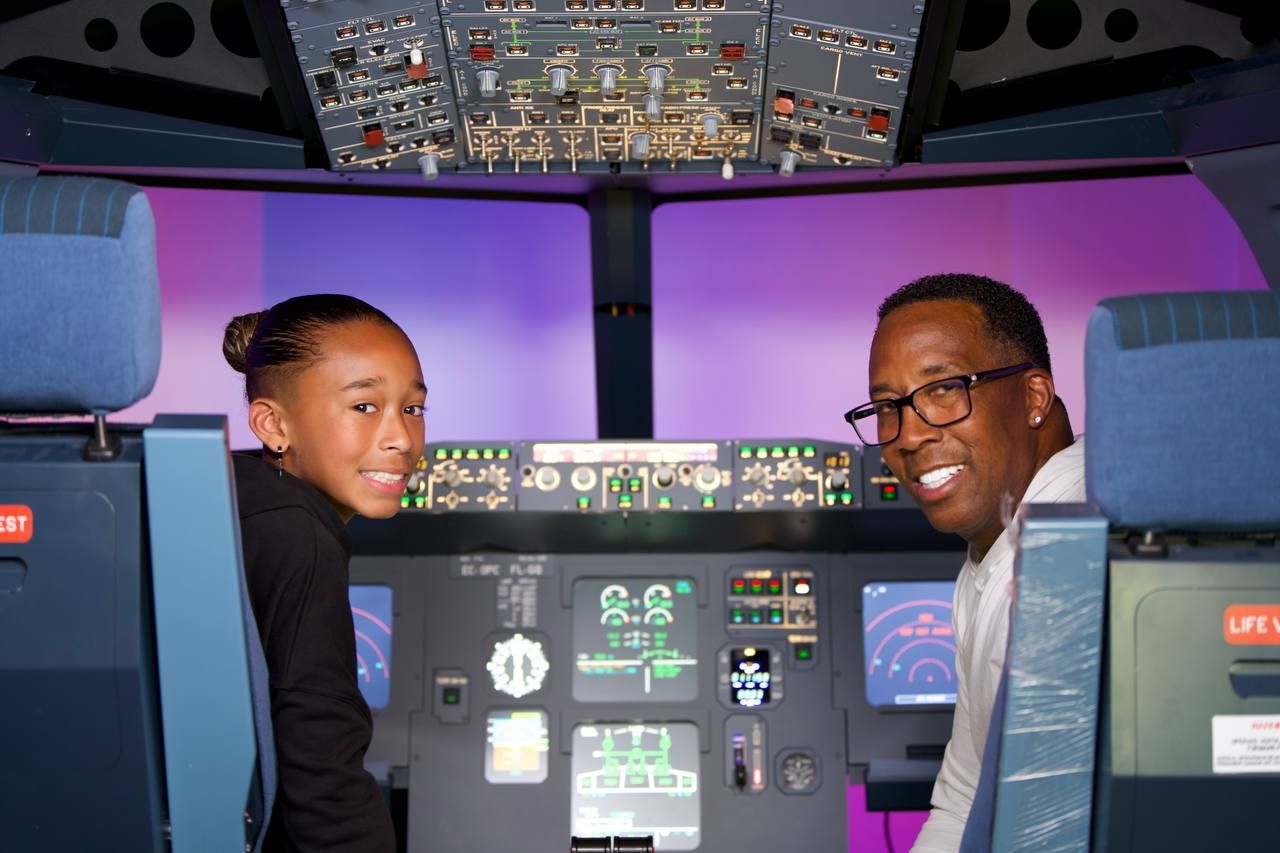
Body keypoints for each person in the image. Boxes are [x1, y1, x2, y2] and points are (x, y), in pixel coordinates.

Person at [845, 274, 1085, 852]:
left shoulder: (1069, 546)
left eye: (945, 389)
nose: (909, 435)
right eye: (887, 407)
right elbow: (965, 794)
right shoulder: (992, 553)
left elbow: (1051, 831)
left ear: (1033, 397)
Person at [222, 294, 427, 853]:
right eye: (364, 407)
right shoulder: (298, 533)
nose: (402, 440)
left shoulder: (240, 494)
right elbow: (321, 771)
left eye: (412, 409)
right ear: (272, 424)